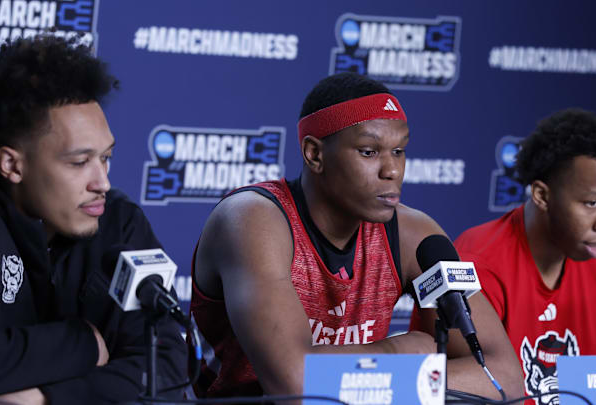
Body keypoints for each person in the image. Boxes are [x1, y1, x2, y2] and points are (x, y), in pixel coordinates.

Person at [189, 72, 522, 400]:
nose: (392, 170)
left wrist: (389, 377)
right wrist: (400, 352)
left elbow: (503, 376)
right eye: (369, 151)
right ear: (314, 154)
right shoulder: (253, 219)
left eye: (399, 151)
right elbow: (295, 386)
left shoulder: (412, 235)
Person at [0, 34, 187, 404]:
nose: (102, 183)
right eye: (79, 162)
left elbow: (167, 367)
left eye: (106, 157)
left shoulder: (118, 220)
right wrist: (83, 342)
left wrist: (47, 399)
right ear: (11, 164)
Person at [450, 108, 596, 403]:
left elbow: (593, 395)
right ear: (542, 196)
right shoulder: (475, 266)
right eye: (591, 203)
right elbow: (465, 394)